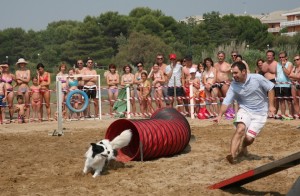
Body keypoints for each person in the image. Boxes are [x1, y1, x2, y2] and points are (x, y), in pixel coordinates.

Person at [215, 61, 275, 164]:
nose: (233, 75)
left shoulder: (257, 78)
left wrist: (271, 106)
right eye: (232, 73)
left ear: (243, 71)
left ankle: (243, 147)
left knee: (249, 138)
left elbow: (271, 88)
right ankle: (232, 156)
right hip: (245, 110)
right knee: (240, 129)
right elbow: (226, 101)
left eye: (235, 73)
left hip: (260, 113)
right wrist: (220, 115)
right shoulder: (234, 85)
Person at [274, 51, 293, 118]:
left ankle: (291, 115)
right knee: (281, 101)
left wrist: (283, 66)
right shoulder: (277, 64)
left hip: (287, 85)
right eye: (280, 57)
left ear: (286, 57)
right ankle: (283, 115)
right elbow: (276, 73)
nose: (281, 58)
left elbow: (288, 73)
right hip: (278, 85)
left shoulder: (289, 64)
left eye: (282, 57)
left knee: (289, 101)